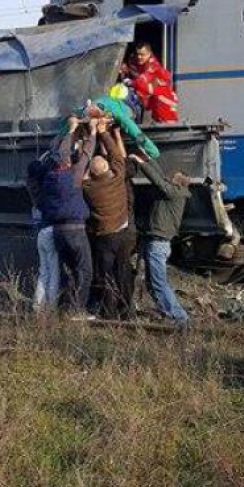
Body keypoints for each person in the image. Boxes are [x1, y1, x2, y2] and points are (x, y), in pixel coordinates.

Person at [34, 116, 97, 317]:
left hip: (58, 232)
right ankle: (77, 311)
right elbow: (87, 154)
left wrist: (70, 131)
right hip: (76, 231)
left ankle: (55, 309)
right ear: (68, 162)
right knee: (84, 271)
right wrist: (93, 133)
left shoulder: (48, 180)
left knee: (68, 271)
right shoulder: (73, 176)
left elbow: (60, 155)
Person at [130, 154, 190, 326]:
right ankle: (168, 313)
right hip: (156, 242)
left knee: (158, 283)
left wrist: (141, 163)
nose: (168, 178)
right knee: (152, 283)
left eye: (171, 178)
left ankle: (179, 317)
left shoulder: (173, 193)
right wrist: (149, 158)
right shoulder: (175, 192)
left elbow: (158, 180)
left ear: (177, 182)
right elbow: (161, 177)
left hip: (158, 244)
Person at [82, 121, 133, 319]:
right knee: (124, 273)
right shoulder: (118, 177)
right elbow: (116, 155)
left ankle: (109, 313)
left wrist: (90, 137)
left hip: (104, 237)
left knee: (106, 276)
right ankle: (127, 311)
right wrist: (104, 132)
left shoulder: (89, 188)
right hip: (123, 232)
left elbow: (83, 176)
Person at [26, 156, 61, 315]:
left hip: (39, 231)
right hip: (49, 230)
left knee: (43, 270)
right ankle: (51, 306)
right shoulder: (46, 189)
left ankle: (38, 305)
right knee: (54, 271)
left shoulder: (32, 184)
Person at [120, 42, 179, 123]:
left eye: (142, 55)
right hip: (154, 101)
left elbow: (141, 81)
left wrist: (130, 82)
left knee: (167, 126)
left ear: (149, 54)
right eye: (137, 54)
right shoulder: (135, 60)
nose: (139, 57)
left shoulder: (153, 65)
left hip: (164, 100)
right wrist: (125, 70)